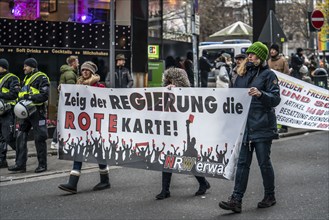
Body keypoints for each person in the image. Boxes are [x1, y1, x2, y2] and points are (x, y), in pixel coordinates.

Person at [219, 42, 281, 213]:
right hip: (245, 127)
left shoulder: (269, 75)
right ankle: (236, 200)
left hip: (262, 125)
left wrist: (261, 94)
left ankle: (270, 195)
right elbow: (233, 97)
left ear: (260, 57)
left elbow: (276, 99)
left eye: (253, 54)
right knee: (243, 164)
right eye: (249, 54)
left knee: (264, 163)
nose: (249, 56)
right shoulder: (241, 74)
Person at [155, 65, 210, 200]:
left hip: (182, 131)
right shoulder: (167, 91)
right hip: (169, 130)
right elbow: (164, 110)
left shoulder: (188, 92)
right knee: (167, 157)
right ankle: (165, 189)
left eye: (173, 81)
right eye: (168, 81)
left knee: (186, 160)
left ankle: (203, 182)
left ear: (179, 81)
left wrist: (176, 92)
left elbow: (189, 108)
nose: (170, 84)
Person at [58, 61, 110, 194]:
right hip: (82, 127)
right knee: (78, 151)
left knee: (99, 153)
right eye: (83, 70)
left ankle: (105, 181)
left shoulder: (100, 86)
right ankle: (72, 183)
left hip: (95, 127)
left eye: (87, 70)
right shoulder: (77, 86)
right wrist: (64, 92)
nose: (84, 72)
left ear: (92, 72)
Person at [8, 58, 50, 173]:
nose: (24, 68)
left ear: (32, 66)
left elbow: (44, 95)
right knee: (20, 136)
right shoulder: (26, 79)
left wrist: (29, 97)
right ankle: (20, 164)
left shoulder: (42, 77)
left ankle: (42, 165)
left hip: (37, 112)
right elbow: (22, 94)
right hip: (25, 112)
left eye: (26, 66)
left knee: (39, 138)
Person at [51, 55, 79, 150]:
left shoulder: (67, 73)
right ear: (73, 63)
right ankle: (55, 141)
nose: (78, 63)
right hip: (68, 102)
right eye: (77, 61)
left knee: (64, 121)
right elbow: (72, 90)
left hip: (64, 101)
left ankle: (57, 140)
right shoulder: (70, 74)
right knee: (64, 121)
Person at [0, 59, 20, 168]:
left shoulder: (12, 78)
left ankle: (21, 158)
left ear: (4, 67)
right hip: (0, 112)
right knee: (0, 138)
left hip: (8, 112)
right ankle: (1, 161)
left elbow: (14, 94)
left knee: (9, 137)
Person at [267, 43, 290, 133]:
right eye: (271, 49)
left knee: (282, 106)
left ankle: (284, 126)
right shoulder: (268, 61)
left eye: (274, 50)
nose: (272, 51)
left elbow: (287, 74)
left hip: (282, 87)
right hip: (271, 87)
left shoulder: (283, 60)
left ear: (277, 51)